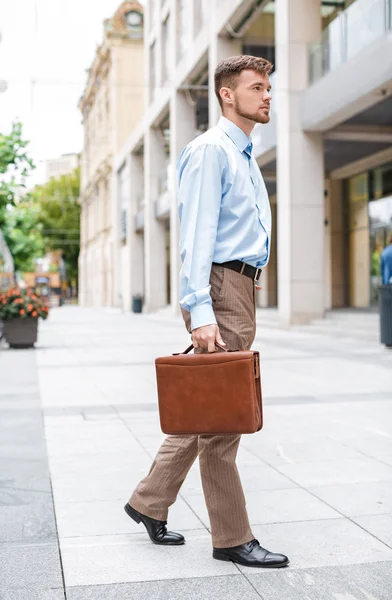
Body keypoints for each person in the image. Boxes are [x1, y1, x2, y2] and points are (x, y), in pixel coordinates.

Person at [125, 55, 289, 569]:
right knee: (224, 422)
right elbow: (194, 239)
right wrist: (200, 311)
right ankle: (231, 538)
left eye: (268, 88)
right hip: (220, 287)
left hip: (240, 287)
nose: (267, 96)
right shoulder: (210, 152)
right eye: (256, 88)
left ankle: (148, 502)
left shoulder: (242, 155)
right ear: (226, 94)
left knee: (211, 406)